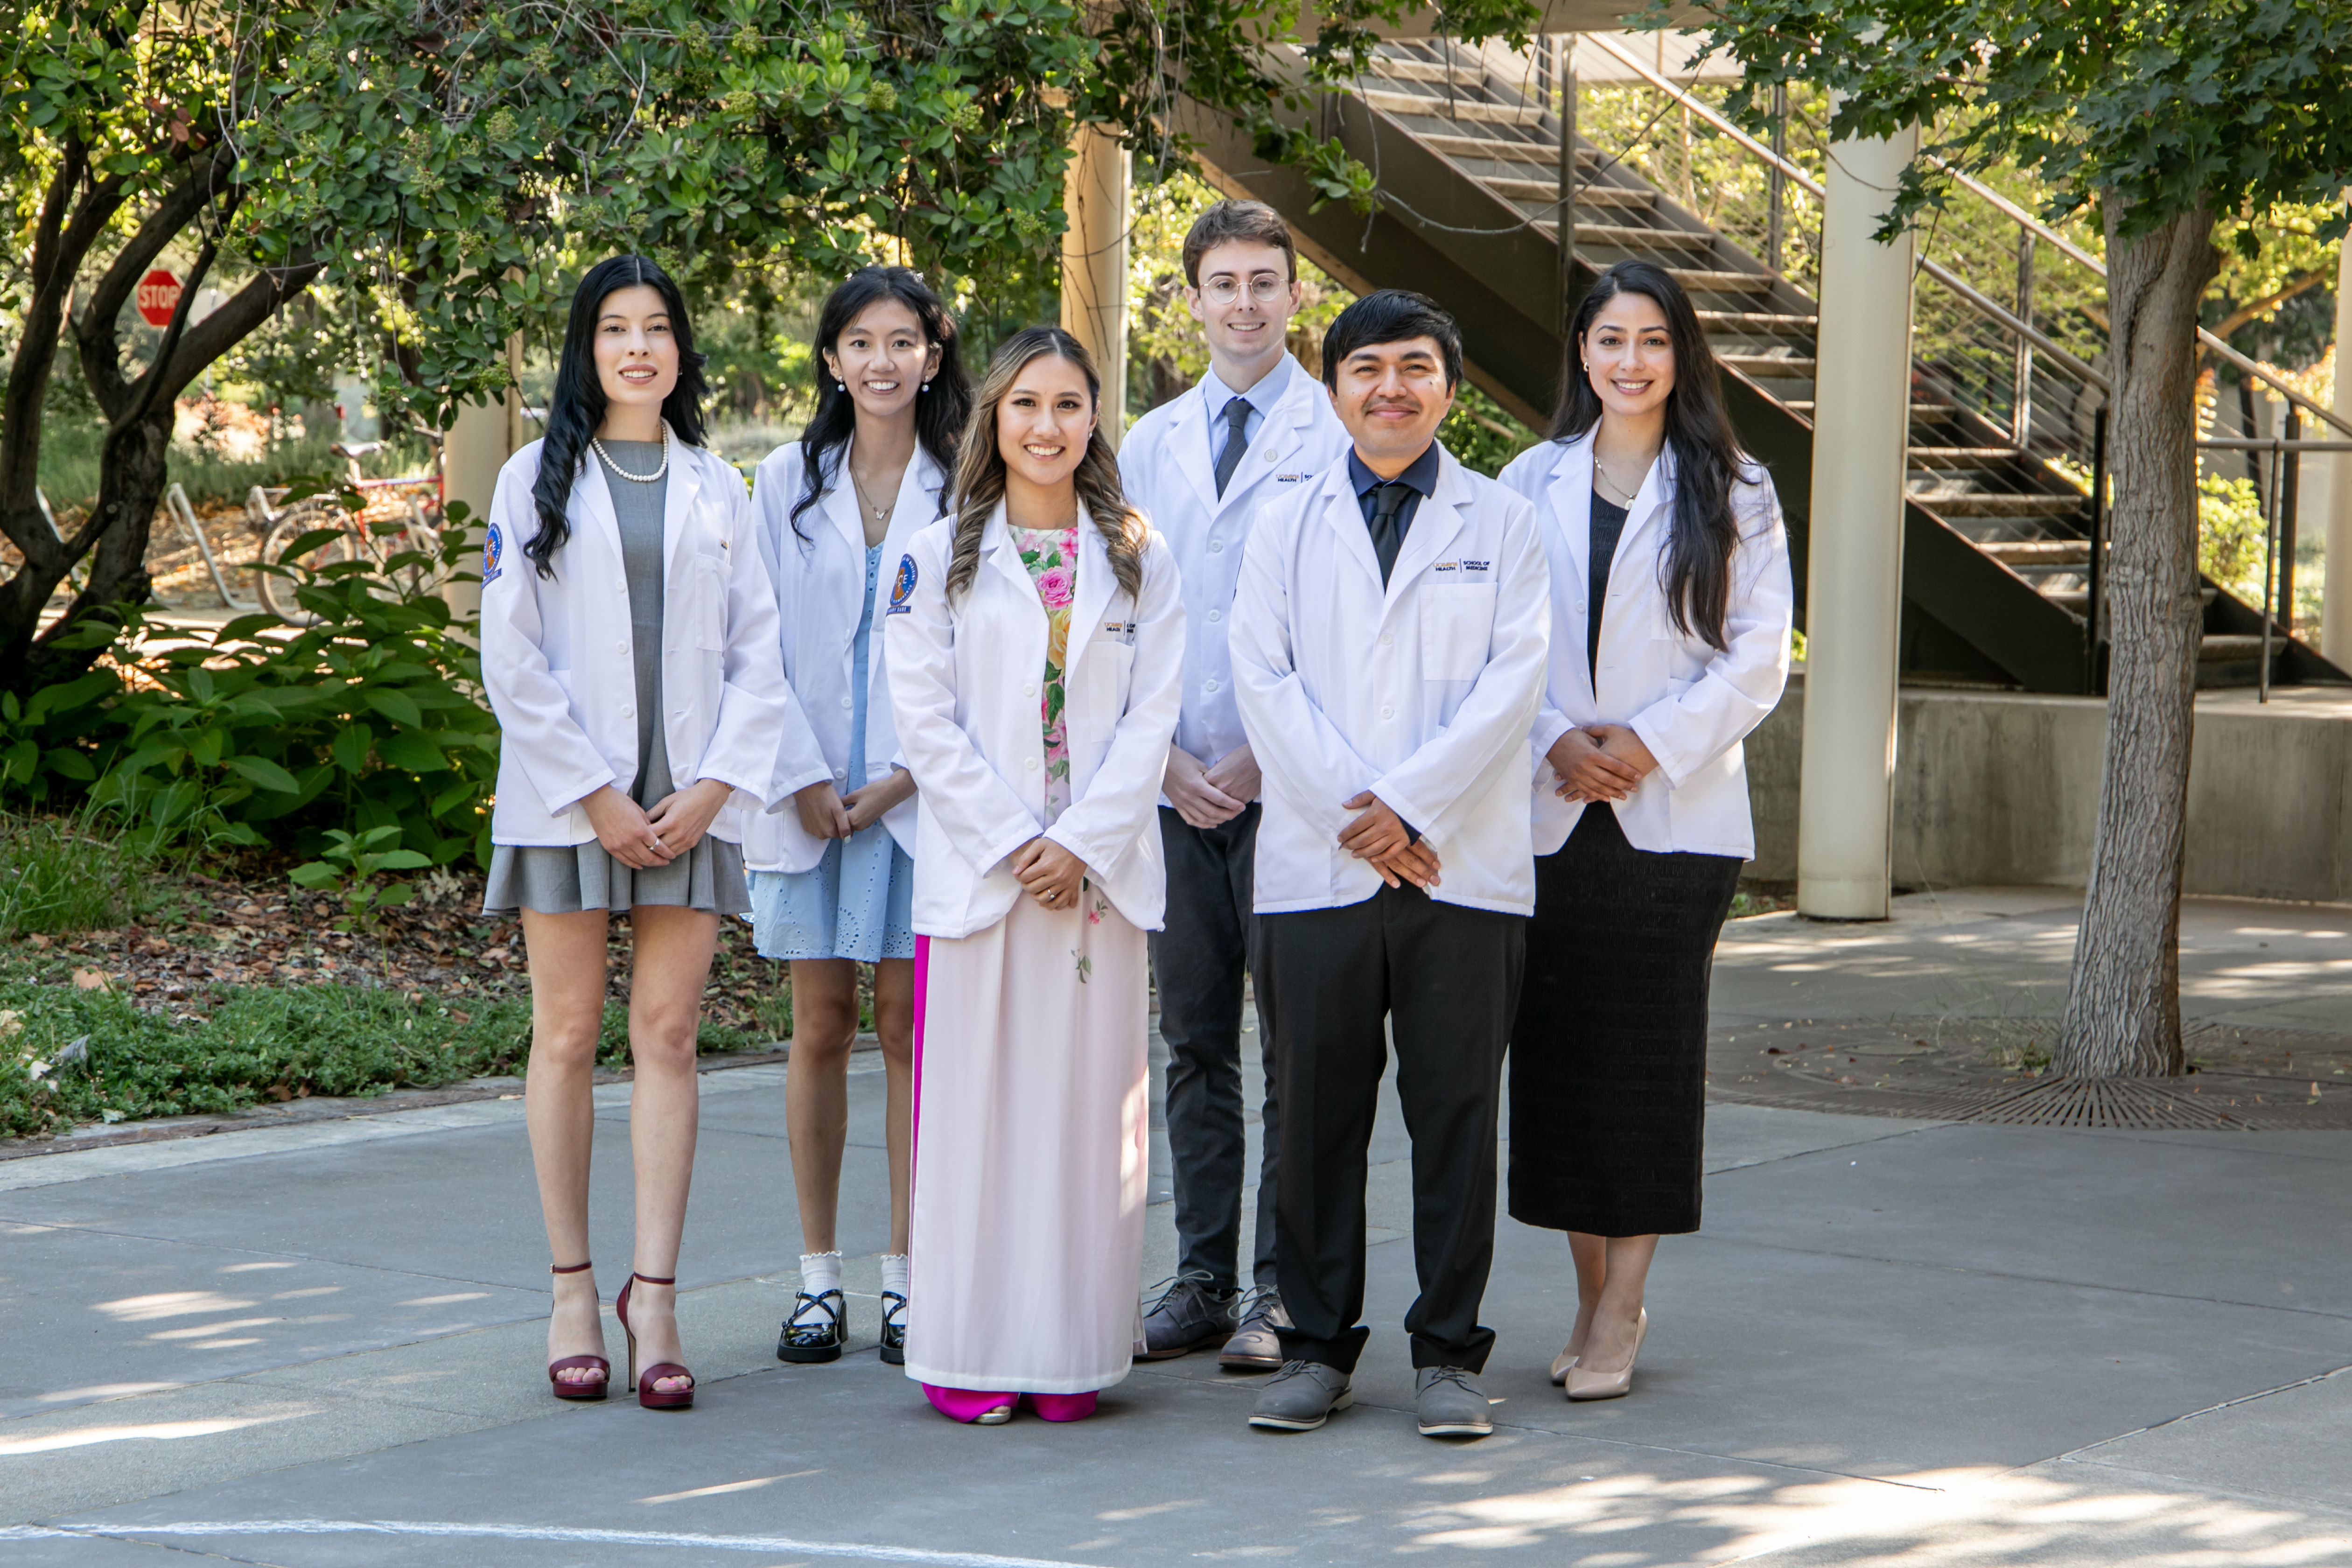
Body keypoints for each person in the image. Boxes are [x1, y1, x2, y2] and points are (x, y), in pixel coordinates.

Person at [1229, 290, 1550, 1440]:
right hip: (1319, 870)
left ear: (1449, 389)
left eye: (1415, 366)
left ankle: (1449, 1354)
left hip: (1459, 870)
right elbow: (1263, 680)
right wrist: (1361, 816)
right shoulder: (1285, 520)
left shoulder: (1505, 522)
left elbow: (1514, 686)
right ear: (1333, 392)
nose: (1391, 388)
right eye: (1366, 368)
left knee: (1455, 1116)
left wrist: (1407, 807)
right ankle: (1317, 1346)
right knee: (1315, 1116)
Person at [481, 255, 794, 1410]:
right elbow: (509, 655)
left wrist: (714, 789)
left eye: (657, 328)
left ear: (680, 350)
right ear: (588, 348)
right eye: (616, 328)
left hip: (690, 798)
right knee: (567, 1037)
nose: (638, 348)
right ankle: (573, 1290)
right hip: (575, 796)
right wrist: (596, 796)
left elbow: (761, 654)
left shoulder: (719, 485)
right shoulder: (532, 478)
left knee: (668, 1036)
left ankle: (653, 1298)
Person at [1495, 259, 1793, 1401]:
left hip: (1675, 821)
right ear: (1583, 352)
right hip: (1551, 812)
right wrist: (1556, 742)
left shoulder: (1736, 487)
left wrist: (1647, 745)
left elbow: (1759, 656)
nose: (1631, 361)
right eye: (1611, 339)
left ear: (1682, 355)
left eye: (1653, 340)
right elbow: (1494, 647)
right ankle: (1586, 1294)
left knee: (1645, 1068)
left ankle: (1624, 1305)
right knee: (1562, 1069)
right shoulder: (1525, 481)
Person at [884, 327, 1185, 1425]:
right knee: (979, 1125)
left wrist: (1082, 843)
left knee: (1085, 1126)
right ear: (993, 418)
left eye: (1067, 405)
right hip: (985, 878)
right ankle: (969, 1354)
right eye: (1025, 404)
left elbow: (1154, 716)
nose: (1046, 426)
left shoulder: (1140, 553)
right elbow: (923, 720)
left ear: (1093, 419)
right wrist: (1019, 842)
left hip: (1096, 883)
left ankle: (1070, 1354)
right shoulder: (935, 554)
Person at [1115, 200, 1350, 1368]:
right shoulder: (1147, 443)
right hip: (1173, 791)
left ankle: (1279, 1292)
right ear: (1194, 299)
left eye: (1266, 282)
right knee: (1195, 1043)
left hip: (1285, 787)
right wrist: (1158, 757)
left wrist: (1268, 751)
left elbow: (1349, 619)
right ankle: (1203, 1278)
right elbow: (1116, 617)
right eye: (1225, 283)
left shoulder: (1339, 429)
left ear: (1295, 297)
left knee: (1297, 1049)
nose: (1246, 303)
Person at [746, 267, 974, 1368]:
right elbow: (751, 637)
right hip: (805, 788)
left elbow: (980, 654)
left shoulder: (969, 481)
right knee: (822, 1025)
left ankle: (907, 1279)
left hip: (917, 792)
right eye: (861, 343)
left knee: (906, 1026)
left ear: (933, 356)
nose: (883, 362)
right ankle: (817, 1281)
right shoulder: (782, 480)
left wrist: (902, 779)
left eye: (903, 342)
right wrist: (800, 775)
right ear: (832, 360)